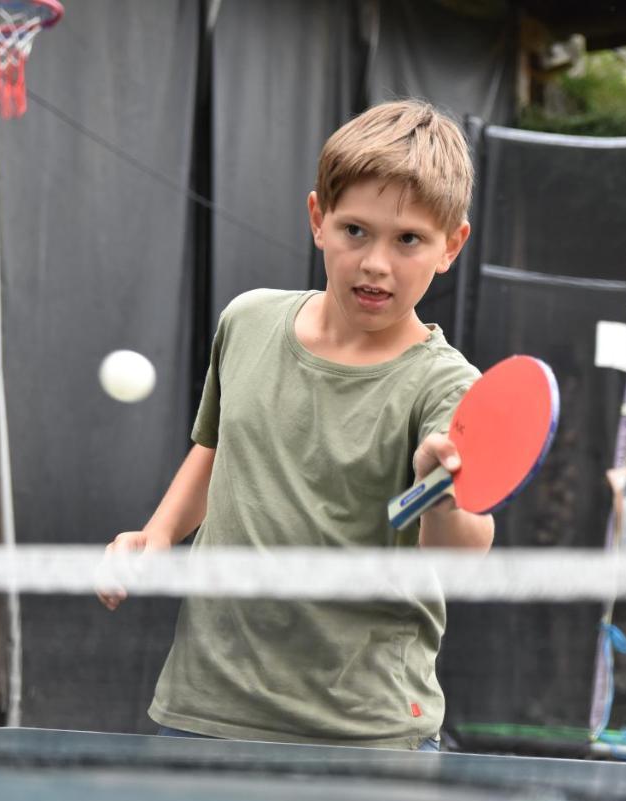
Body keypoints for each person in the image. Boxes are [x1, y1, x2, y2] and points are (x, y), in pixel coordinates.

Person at [100, 100, 494, 750]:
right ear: (318, 220)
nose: (376, 263)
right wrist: (159, 533)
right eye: (355, 231)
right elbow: (218, 445)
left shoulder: (446, 387)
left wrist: (442, 497)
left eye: (409, 240)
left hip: (360, 731)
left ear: (451, 245)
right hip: (205, 705)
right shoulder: (247, 320)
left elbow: (462, 554)